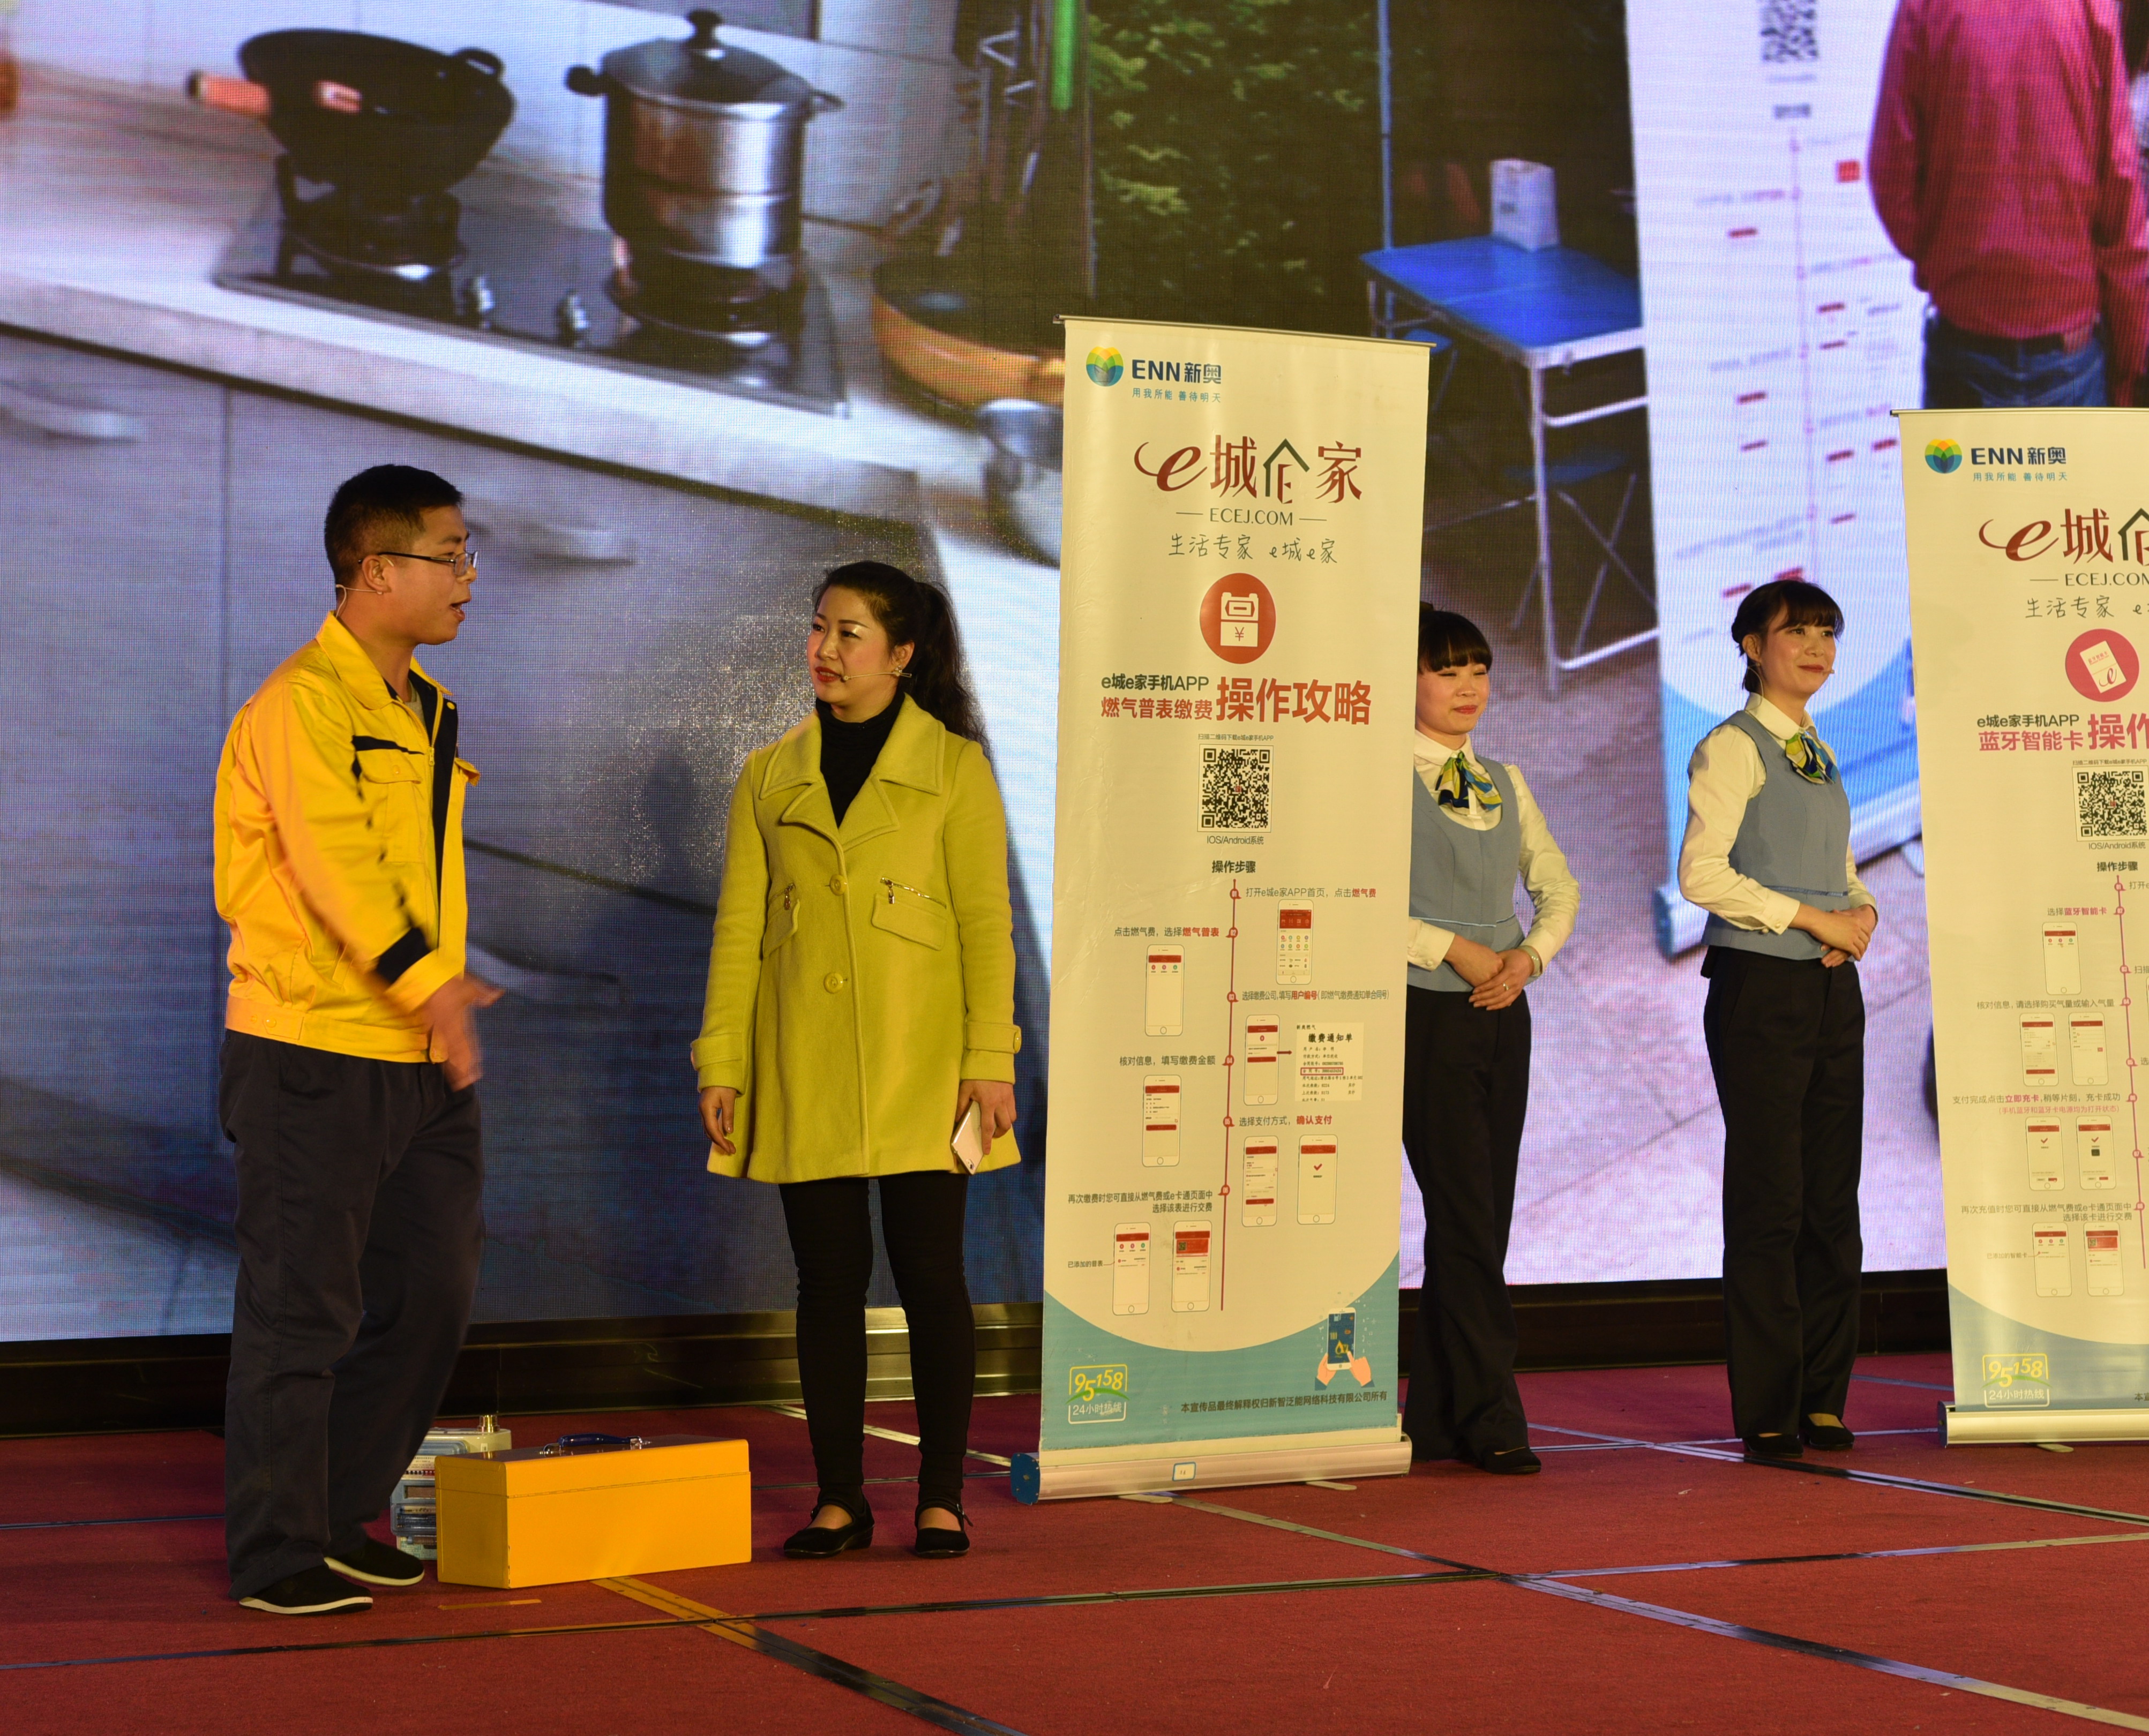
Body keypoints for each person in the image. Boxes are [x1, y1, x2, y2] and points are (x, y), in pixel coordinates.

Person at [214, 464, 498, 1615]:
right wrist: (432, 985)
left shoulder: (423, 704)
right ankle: (275, 1549)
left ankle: (336, 1512)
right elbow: (335, 860)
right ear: (376, 570)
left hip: (420, 1061)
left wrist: (436, 1010)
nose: (468, 576)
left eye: (469, 555)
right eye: (450, 554)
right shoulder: (302, 703)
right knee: (302, 1311)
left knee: (432, 1295)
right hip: (313, 1052)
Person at [694, 560, 1019, 1560]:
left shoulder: (955, 768)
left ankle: (940, 1498)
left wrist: (989, 1058)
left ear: (901, 654)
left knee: (931, 1276)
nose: (824, 650)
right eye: (818, 628)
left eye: (848, 633)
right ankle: (839, 1499)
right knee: (826, 1282)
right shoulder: (768, 773)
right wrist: (722, 1061)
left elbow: (986, 926)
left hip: (931, 1062)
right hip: (806, 1057)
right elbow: (739, 928)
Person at [1679, 579, 1877, 1460]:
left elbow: (1839, 865)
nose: (1817, 647)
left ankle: (1822, 1399)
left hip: (1832, 986)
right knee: (1771, 1197)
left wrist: (1860, 913)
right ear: (1751, 646)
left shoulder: (1815, 750)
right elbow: (1702, 875)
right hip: (1760, 986)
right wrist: (1810, 921)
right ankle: (1767, 1408)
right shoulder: (1732, 745)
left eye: (1827, 631)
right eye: (1796, 631)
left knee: (1832, 1198)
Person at [1402, 607, 1579, 1475]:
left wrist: (1527, 958)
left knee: (1482, 1215)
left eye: (1477, 669)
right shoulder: (1378, 780)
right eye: (1446, 670)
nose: (1468, 686)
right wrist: (1454, 948)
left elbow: (1558, 888)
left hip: (1503, 1011)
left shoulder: (1504, 778)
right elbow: (1353, 895)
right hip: (1424, 1012)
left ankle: (1439, 1419)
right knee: (1466, 1213)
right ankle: (1492, 1413)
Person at [1869, 0, 2149, 409]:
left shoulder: (1924, 8)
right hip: (2067, 345)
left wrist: (1947, 267)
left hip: (1964, 335)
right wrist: (2128, 368)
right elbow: (2121, 201)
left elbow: (1891, 174)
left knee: (1955, 455)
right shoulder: (2090, 9)